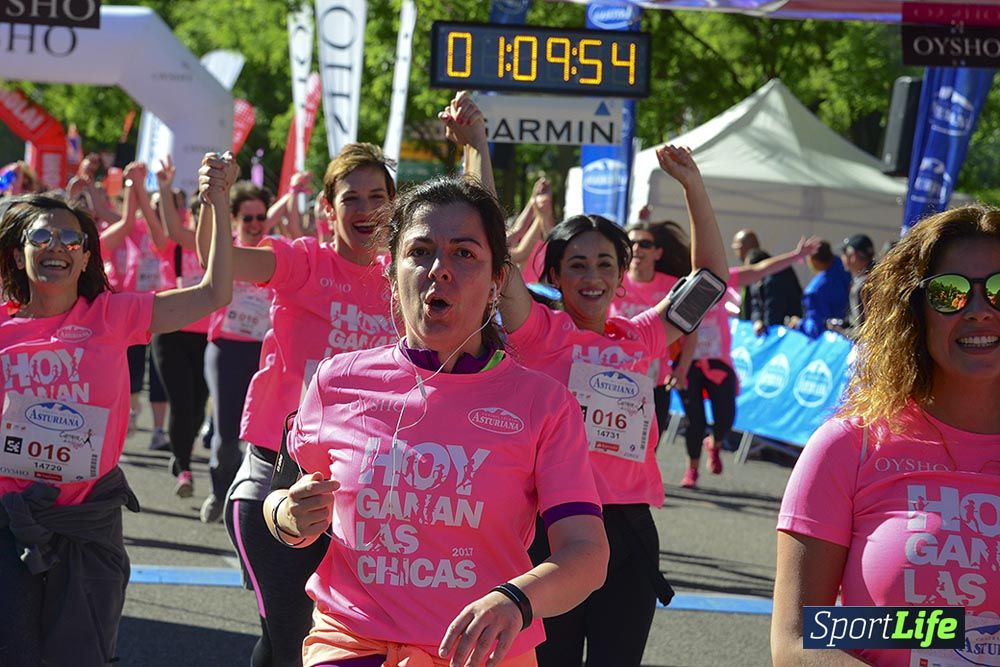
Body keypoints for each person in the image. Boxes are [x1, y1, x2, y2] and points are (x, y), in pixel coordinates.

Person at [264, 176, 609, 667]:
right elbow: (279, 498)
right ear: (391, 272)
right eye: (420, 250)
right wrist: (287, 515)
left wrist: (516, 599)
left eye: (464, 253)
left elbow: (587, 553)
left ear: (497, 280)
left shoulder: (544, 404)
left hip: (483, 654)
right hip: (351, 645)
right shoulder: (335, 380)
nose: (439, 270)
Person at [0, 152, 235, 665]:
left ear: (87, 258)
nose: (55, 247)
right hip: (9, 524)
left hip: (87, 527)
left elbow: (216, 292)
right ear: (19, 256)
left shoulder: (114, 315)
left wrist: (217, 201)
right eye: (40, 238)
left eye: (69, 239)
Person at [501, 145, 729, 667]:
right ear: (553, 277)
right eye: (576, 264)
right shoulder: (538, 332)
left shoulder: (642, 336)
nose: (592, 276)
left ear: (622, 274)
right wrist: (477, 149)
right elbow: (495, 254)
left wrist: (694, 186)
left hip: (630, 531)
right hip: (552, 529)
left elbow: (711, 280)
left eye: (605, 263)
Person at [771, 205, 1000, 666]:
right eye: (949, 294)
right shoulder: (849, 445)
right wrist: (937, 628)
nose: (979, 310)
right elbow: (797, 641)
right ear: (916, 311)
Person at [788, 240, 851, 338]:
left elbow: (815, 329)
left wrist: (798, 324)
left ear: (814, 260)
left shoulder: (814, 291)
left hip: (833, 341)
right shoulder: (847, 268)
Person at [833, 233, 875, 338]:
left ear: (853, 256)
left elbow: (863, 333)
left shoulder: (861, 286)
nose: (842, 257)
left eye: (844, 252)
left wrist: (840, 331)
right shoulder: (880, 276)